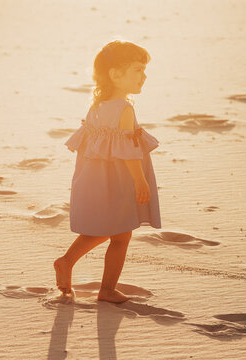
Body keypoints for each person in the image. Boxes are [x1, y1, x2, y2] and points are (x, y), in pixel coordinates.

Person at [54, 40, 161, 303]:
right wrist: (141, 181)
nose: (144, 76)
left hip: (96, 179)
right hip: (120, 181)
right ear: (115, 74)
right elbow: (129, 152)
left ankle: (73, 265)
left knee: (113, 231)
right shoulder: (124, 109)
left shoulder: (96, 106)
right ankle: (102, 286)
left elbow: (87, 146)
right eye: (137, 69)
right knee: (119, 235)